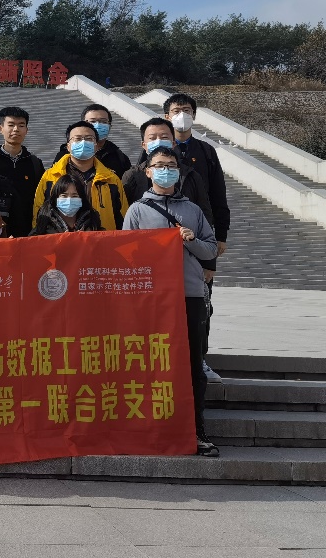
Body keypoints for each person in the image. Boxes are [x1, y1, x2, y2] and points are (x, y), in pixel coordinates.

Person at [122, 145, 220, 458]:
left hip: (189, 294)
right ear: (148, 171)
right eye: (160, 165)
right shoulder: (137, 211)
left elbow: (211, 250)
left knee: (192, 365)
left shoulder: (193, 210)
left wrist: (191, 240)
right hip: (153, 298)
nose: (166, 170)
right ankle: (150, 429)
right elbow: (126, 255)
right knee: (151, 364)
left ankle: (196, 431)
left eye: (171, 166)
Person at [165, 92, 231, 383]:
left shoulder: (205, 152)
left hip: (199, 239)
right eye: (176, 110)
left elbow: (218, 196)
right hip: (163, 243)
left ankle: (199, 358)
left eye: (187, 110)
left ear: (194, 115)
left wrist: (220, 236)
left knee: (202, 303)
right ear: (166, 116)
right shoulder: (158, 151)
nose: (182, 115)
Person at [33, 121, 129, 230]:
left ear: (96, 146)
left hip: (102, 238)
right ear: (68, 146)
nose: (83, 142)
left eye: (89, 139)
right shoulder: (50, 177)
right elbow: (39, 213)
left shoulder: (111, 179)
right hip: (59, 238)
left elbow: (123, 217)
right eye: (77, 139)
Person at [0, 107, 45, 237]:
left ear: (26, 130)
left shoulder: (34, 163)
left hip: (26, 232)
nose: (16, 129)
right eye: (11, 125)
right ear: (0, 128)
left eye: (21, 125)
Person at [30, 173, 102, 235]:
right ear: (56, 199)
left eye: (74, 196)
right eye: (64, 196)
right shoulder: (42, 229)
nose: (69, 200)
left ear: (81, 199)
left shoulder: (93, 226)